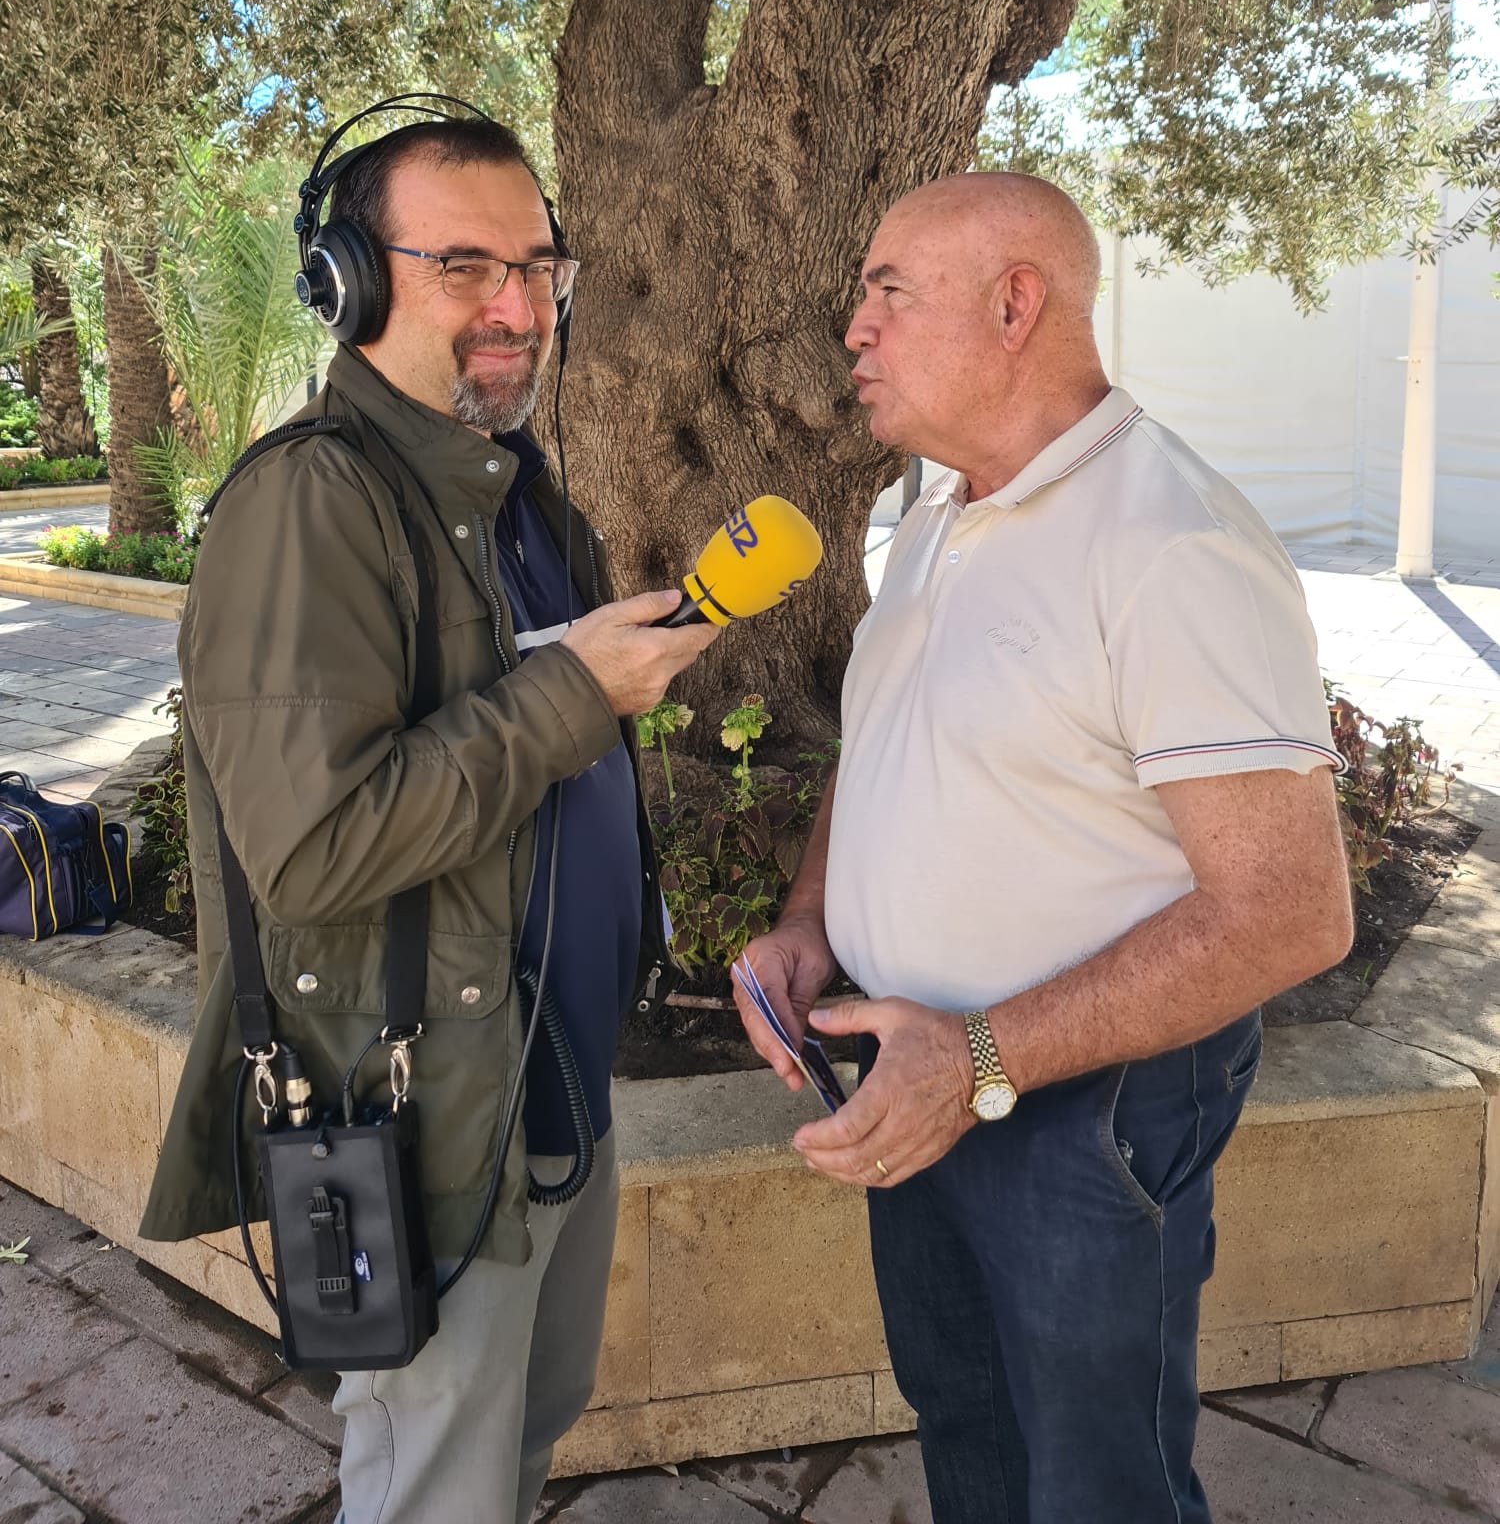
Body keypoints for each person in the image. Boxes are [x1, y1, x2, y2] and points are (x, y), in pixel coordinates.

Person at [734, 172, 1353, 1524]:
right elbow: (887, 751)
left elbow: (1292, 913)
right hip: (920, 1075)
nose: (854, 329)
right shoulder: (940, 515)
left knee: (1096, 1486)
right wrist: (809, 924)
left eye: (888, 292)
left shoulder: (1172, 543)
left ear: (1018, 303)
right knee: (971, 1435)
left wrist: (981, 1060)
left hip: (1089, 1110)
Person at [141, 110, 718, 1524]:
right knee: (438, 1484)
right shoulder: (311, 507)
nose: (517, 306)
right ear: (349, 281)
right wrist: (576, 696)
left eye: (538, 265)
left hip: (550, 1076)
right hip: (428, 1109)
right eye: (465, 264)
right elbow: (316, 848)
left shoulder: (515, 496)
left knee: (521, 1439)